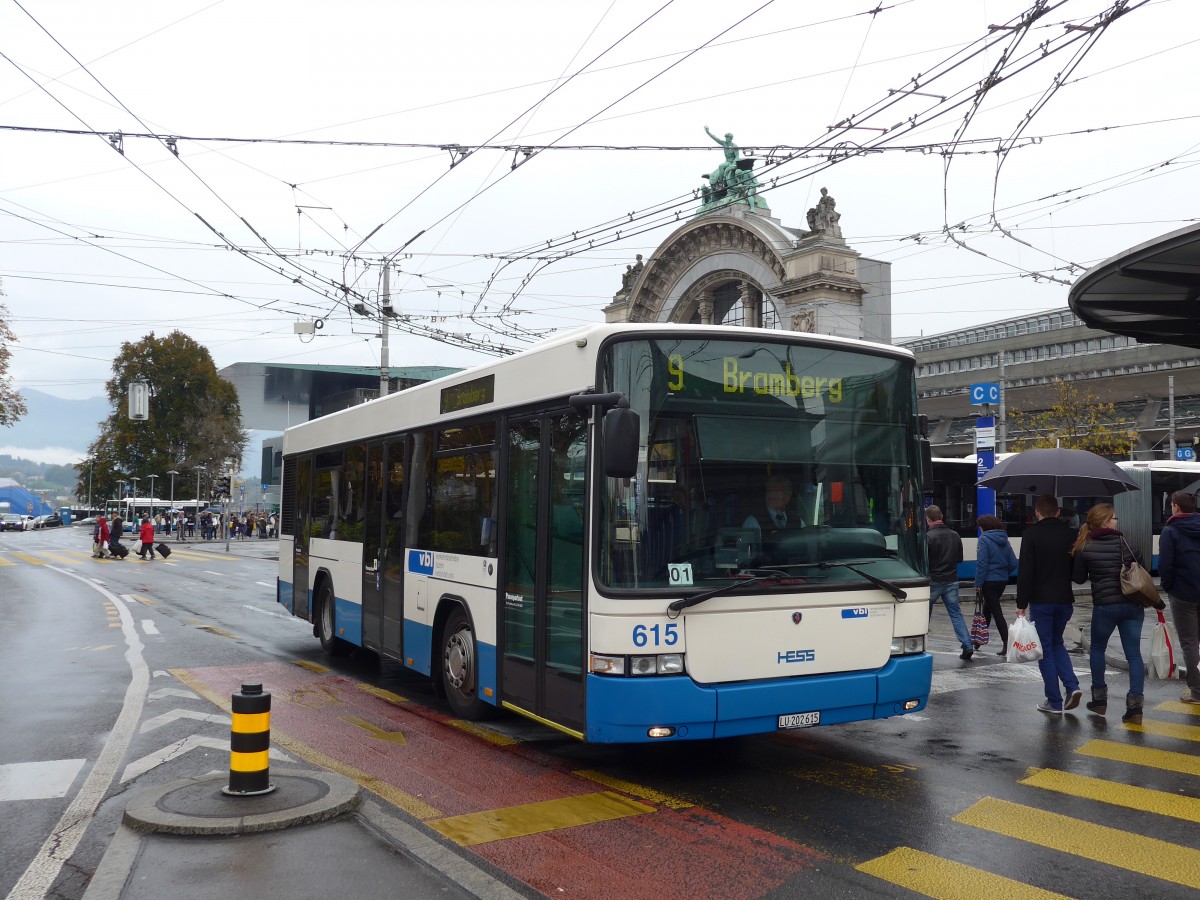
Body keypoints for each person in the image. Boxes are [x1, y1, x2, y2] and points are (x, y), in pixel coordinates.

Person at [1070, 503, 1147, 723]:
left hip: (1105, 607)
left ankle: (1099, 700)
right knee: (1133, 655)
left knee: (1097, 648)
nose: (1116, 521)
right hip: (1132, 605)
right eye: (1114, 518)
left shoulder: (1085, 545)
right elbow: (1141, 569)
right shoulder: (1127, 541)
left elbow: (1078, 578)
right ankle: (1135, 708)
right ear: (1105, 521)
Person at [1016, 495, 1082, 715]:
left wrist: (1021, 603)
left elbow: (1025, 572)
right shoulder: (1071, 535)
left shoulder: (1031, 535)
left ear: (1037, 512)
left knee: (1044, 650)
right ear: (1058, 512)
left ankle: (1054, 701)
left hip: (1041, 602)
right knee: (1057, 643)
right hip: (1064, 600)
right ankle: (1072, 687)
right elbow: (1080, 575)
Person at [1159, 491, 1200, 705]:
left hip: (1183, 594)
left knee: (1189, 642)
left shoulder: (1170, 531)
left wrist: (1168, 587)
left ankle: (1197, 691)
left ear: (1175, 507)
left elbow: (1165, 566)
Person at [926, 505, 974, 660]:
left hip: (934, 580)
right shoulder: (955, 535)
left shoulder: (927, 537)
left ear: (928, 519)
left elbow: (924, 562)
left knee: (924, 613)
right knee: (955, 614)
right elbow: (959, 559)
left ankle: (921, 645)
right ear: (941, 517)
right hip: (951, 580)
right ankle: (967, 645)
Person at [974, 514, 1016, 656]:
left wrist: (978, 583)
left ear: (984, 527)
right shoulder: (1005, 540)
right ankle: (978, 641)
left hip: (989, 581)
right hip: (1001, 581)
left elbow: (982, 564)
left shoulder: (984, 540)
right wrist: (1003, 573)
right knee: (988, 608)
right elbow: (1013, 563)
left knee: (996, 612)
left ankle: (1007, 643)